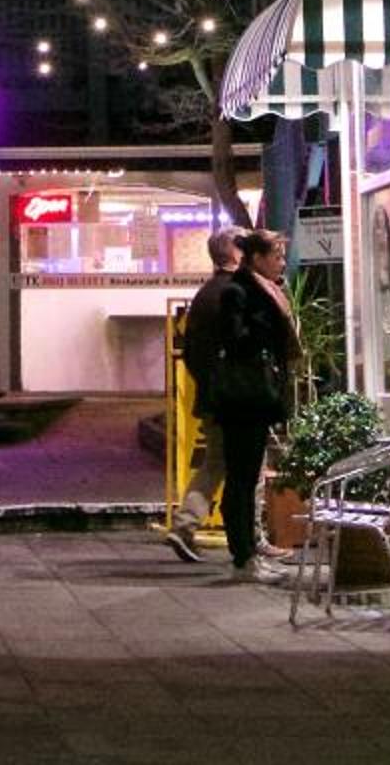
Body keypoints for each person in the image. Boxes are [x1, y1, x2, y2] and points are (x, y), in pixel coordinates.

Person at [209, 229, 303, 580]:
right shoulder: (238, 292)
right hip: (244, 399)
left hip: (257, 397)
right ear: (258, 259)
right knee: (242, 478)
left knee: (248, 477)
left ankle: (248, 554)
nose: (281, 263)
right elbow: (235, 341)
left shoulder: (266, 290)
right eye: (276, 256)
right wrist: (264, 327)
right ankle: (243, 557)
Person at [163, 227, 243, 562]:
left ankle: (185, 524)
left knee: (215, 462)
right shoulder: (236, 292)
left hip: (212, 396)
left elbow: (191, 353)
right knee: (247, 467)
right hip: (237, 398)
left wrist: (210, 383)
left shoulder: (205, 294)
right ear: (235, 253)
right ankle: (250, 537)